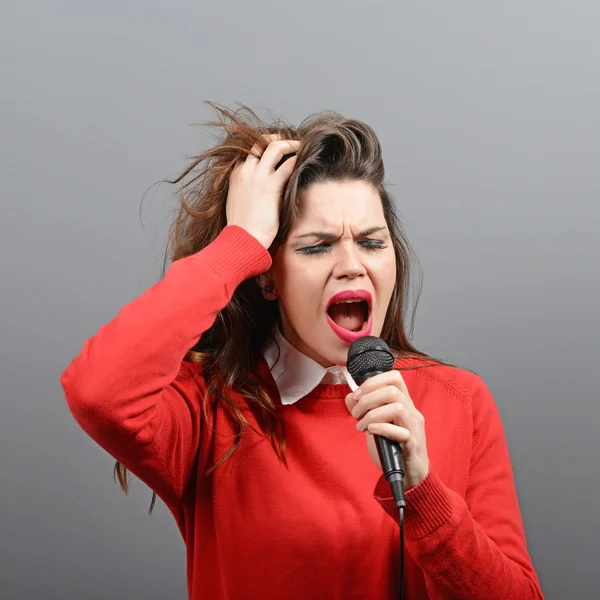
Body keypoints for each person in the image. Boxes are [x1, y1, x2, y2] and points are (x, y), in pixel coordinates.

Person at [61, 104, 544, 600]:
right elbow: (98, 391)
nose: (352, 265)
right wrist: (239, 244)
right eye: (318, 247)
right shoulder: (212, 410)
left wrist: (424, 491)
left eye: (372, 242)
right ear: (268, 275)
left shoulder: (458, 401)